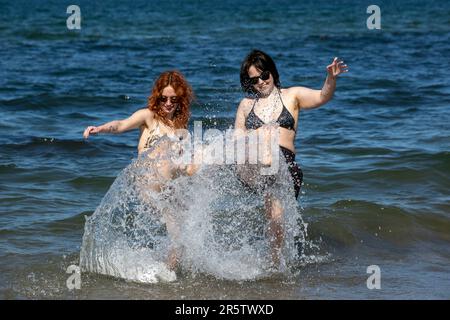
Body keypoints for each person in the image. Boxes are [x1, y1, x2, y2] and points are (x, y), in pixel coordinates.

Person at [234, 49, 348, 268]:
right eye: (254, 79)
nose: (260, 82)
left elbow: (322, 96)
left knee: (276, 219)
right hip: (254, 163)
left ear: (273, 73)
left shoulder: (291, 95)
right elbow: (236, 138)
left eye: (264, 75)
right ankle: (277, 265)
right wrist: (260, 133)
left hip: (284, 165)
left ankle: (275, 264)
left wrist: (330, 79)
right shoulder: (246, 105)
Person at [83, 70, 195, 270]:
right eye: (163, 99)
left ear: (181, 100)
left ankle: (166, 275)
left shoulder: (181, 127)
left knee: (180, 241)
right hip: (147, 182)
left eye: (173, 99)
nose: (168, 103)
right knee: (166, 146)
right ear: (157, 97)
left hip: (170, 190)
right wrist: (100, 129)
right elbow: (120, 125)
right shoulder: (148, 117)